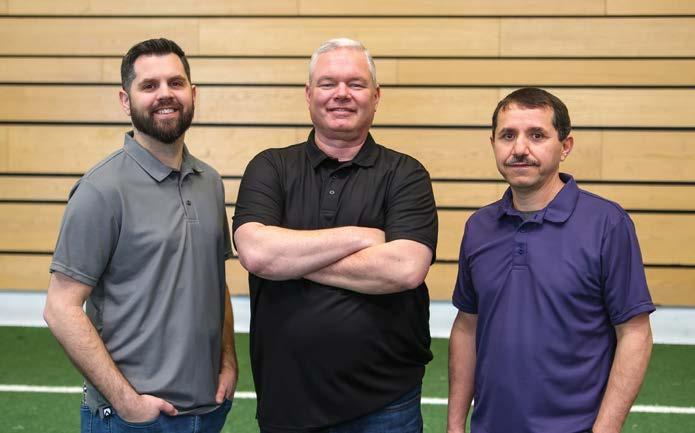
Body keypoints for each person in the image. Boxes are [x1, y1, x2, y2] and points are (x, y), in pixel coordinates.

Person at [233, 38, 438, 433]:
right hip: (288, 402)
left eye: (356, 84)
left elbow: (405, 268)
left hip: (385, 406)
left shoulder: (406, 174)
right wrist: (361, 237)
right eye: (328, 83)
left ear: (376, 97)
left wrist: (289, 259)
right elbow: (257, 254)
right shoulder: (270, 167)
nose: (341, 93)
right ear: (309, 94)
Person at [43, 38, 237, 433]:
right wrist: (127, 402)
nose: (165, 94)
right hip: (132, 420)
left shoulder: (210, 183)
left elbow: (216, 283)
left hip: (207, 412)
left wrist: (228, 362)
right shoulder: (100, 190)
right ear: (125, 100)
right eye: (149, 85)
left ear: (193, 93)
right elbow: (60, 308)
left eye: (175, 83)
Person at [447, 87, 655, 433]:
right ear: (493, 144)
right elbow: (467, 326)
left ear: (565, 147)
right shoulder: (478, 227)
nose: (519, 149)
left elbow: (635, 333)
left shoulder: (607, 224)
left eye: (537, 135)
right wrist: (455, 425)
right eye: (508, 135)